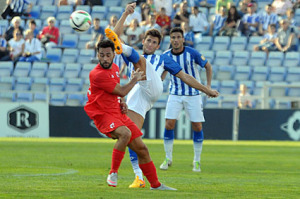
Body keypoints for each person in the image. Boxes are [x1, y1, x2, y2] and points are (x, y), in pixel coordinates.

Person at [106, 2, 219, 188]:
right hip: (138, 95)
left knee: (140, 61)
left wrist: (206, 89)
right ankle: (139, 177)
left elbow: (185, 76)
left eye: (154, 42)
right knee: (132, 137)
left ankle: (124, 48)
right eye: (148, 41)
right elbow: (114, 36)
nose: (150, 44)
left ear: (158, 46)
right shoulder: (141, 54)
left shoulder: (162, 58)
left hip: (153, 86)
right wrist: (126, 13)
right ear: (143, 41)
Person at [84, 39, 176, 191]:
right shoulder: (96, 74)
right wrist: (134, 80)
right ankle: (113, 173)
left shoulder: (114, 68)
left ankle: (156, 185)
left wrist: (121, 101)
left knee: (142, 149)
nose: (105, 58)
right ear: (98, 55)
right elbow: (121, 90)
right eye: (102, 55)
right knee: (125, 134)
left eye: (108, 55)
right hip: (103, 114)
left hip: (116, 112)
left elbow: (117, 91)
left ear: (114, 54)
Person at [159, 27, 215, 173]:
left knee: (197, 126)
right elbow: (162, 74)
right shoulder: (165, 55)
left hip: (193, 94)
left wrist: (208, 87)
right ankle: (168, 157)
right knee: (169, 124)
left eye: (178, 37)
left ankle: (197, 161)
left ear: (183, 39)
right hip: (175, 94)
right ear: (170, 40)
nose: (176, 40)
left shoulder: (192, 53)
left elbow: (208, 66)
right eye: (173, 38)